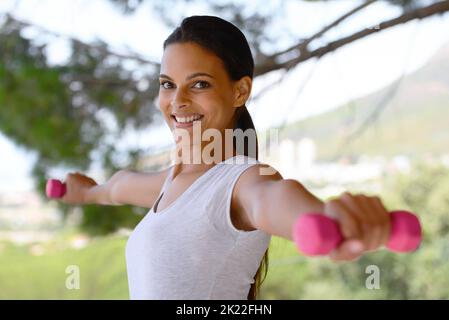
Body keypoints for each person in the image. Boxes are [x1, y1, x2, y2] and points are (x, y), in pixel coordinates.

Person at [60, 15, 391, 300]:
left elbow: (272, 198)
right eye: (167, 84)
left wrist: (327, 219)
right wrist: (86, 192)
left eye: (199, 84)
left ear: (239, 91)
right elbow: (120, 186)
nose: (177, 101)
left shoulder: (243, 180)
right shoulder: (174, 182)